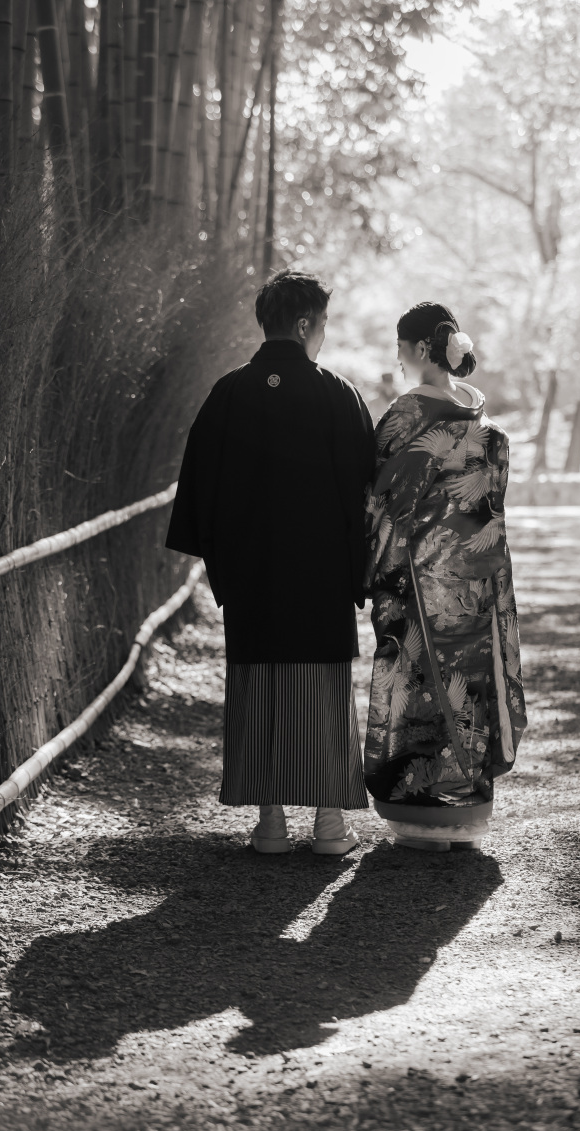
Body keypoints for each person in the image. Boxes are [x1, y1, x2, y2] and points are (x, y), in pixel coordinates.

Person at [166, 269, 376, 854]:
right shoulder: (337, 394)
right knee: (322, 692)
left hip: (254, 574)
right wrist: (360, 569)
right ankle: (330, 826)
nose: (325, 336)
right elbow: (366, 491)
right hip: (321, 576)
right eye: (324, 325)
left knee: (258, 690)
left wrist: (225, 563)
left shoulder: (229, 392)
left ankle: (270, 825)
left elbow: (200, 488)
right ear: (306, 324)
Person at [363, 302, 526, 850]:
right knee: (469, 687)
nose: (399, 356)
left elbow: (378, 499)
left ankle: (419, 817)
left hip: (418, 579)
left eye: (401, 346)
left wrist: (369, 568)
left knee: (420, 682)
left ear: (421, 350)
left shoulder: (406, 415)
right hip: (474, 583)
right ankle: (466, 813)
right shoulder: (482, 420)